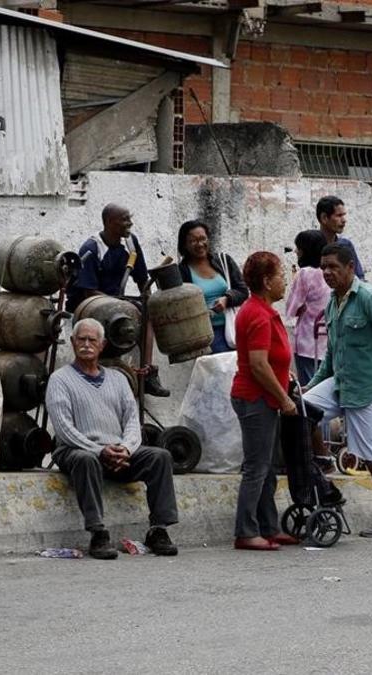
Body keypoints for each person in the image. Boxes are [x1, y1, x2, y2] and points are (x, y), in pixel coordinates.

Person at [46, 318, 179, 560]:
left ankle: (159, 529)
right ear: (73, 343)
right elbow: (64, 429)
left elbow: (131, 421)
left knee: (160, 457)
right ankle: (98, 533)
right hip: (76, 450)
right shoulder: (60, 379)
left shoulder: (118, 380)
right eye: (81, 339)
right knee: (85, 460)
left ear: (103, 344)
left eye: (92, 340)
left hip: (116, 451)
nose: (86, 344)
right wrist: (100, 450)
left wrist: (126, 449)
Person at [304, 243, 372, 537]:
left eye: (333, 267)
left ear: (350, 267)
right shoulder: (333, 302)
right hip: (341, 383)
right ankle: (323, 458)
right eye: (323, 267)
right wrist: (311, 384)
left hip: (371, 389)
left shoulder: (369, 298)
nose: (327, 272)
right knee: (301, 409)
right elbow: (331, 354)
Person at [230, 251, 304, 551]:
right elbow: (259, 365)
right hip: (256, 399)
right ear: (265, 281)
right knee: (256, 467)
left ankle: (268, 526)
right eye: (280, 276)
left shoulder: (263, 311)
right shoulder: (257, 314)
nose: (284, 281)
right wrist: (283, 397)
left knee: (268, 467)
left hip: (265, 399)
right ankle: (246, 530)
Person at [67, 204, 168, 397]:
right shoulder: (92, 247)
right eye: (124, 219)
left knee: (146, 317)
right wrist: (121, 305)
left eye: (129, 218)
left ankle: (148, 373)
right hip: (90, 304)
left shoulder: (130, 243)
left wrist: (149, 302)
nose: (129, 223)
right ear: (108, 222)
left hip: (117, 302)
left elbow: (141, 278)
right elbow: (88, 292)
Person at [176, 220, 248, 354]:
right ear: (184, 245)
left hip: (234, 327)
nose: (200, 244)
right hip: (207, 335)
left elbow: (243, 290)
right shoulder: (182, 271)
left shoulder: (223, 261)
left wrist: (227, 299)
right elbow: (181, 306)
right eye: (193, 241)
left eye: (203, 239)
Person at [286, 229, 332, 387]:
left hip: (307, 342)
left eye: (298, 248)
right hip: (328, 342)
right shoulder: (329, 273)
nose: (296, 251)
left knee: (310, 392)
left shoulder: (304, 274)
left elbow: (291, 309)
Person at [315, 195, 365, 280]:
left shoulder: (345, 246)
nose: (344, 220)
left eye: (343, 215)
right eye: (339, 215)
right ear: (324, 218)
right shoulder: (311, 246)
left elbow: (359, 278)